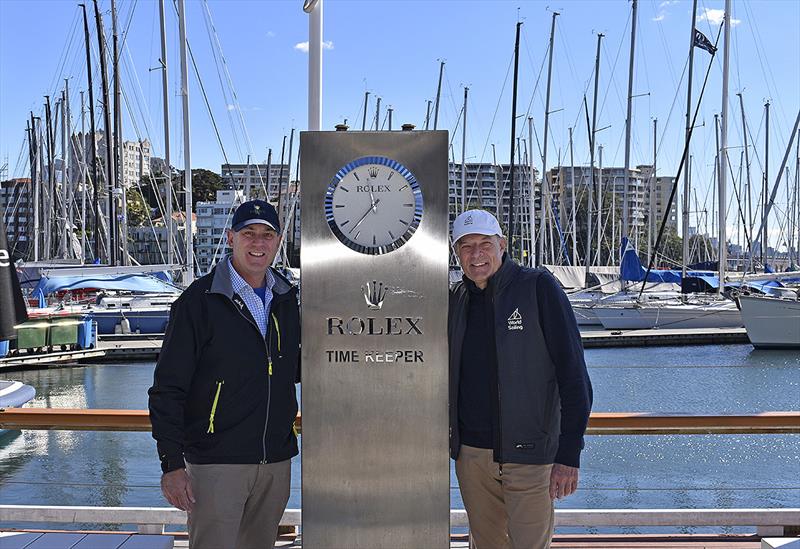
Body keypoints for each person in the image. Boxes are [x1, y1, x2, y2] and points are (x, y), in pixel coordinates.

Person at [148, 200, 300, 549]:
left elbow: (291, 367)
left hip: (275, 463)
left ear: (278, 242)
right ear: (231, 237)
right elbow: (167, 390)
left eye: (267, 235)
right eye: (249, 234)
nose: (258, 243)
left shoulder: (287, 299)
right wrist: (172, 465)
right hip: (217, 464)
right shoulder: (197, 302)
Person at [449, 209, 593, 549]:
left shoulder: (538, 287)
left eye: (485, 243)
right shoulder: (456, 299)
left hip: (531, 457)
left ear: (502, 245)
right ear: (457, 255)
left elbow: (574, 376)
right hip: (472, 458)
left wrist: (569, 453)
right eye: (466, 247)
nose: (476, 254)